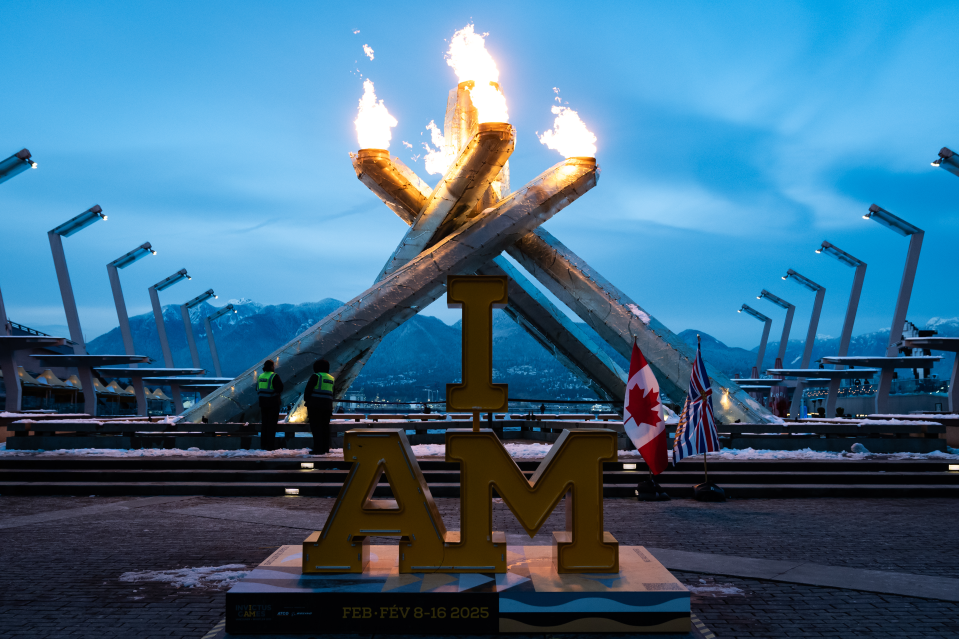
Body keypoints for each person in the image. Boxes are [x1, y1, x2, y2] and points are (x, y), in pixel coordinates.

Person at [304, 359, 334, 455]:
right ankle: (325, 448)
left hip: (315, 407)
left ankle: (318, 449)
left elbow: (308, 391)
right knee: (325, 428)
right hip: (327, 407)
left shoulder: (316, 376)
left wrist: (307, 400)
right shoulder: (331, 378)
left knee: (316, 428)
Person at [257, 360, 284, 450]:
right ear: (272, 366)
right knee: (271, 425)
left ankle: (263, 445)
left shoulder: (260, 376)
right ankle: (270, 446)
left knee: (264, 425)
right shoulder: (274, 376)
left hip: (263, 404)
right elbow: (280, 388)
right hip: (273, 403)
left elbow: (257, 388)